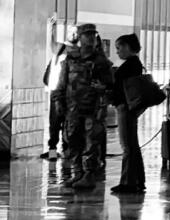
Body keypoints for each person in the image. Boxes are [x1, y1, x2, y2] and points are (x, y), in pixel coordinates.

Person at [54, 22, 114, 192]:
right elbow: (61, 84)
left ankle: (89, 175)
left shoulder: (102, 62)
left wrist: (103, 91)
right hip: (73, 109)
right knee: (72, 139)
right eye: (86, 35)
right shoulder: (70, 60)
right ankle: (77, 172)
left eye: (93, 35)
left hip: (93, 109)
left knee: (91, 142)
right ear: (79, 38)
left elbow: (111, 86)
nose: (90, 38)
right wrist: (58, 102)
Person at [110, 32, 146, 197]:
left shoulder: (130, 65)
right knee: (132, 145)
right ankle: (137, 180)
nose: (117, 52)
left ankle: (128, 182)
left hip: (125, 107)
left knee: (127, 147)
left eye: (119, 48)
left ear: (127, 47)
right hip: (129, 107)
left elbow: (122, 88)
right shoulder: (135, 64)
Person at [40, 26, 71, 160]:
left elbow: (46, 78)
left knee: (54, 125)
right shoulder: (68, 59)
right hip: (66, 96)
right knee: (66, 125)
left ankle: (53, 153)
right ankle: (66, 152)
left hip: (56, 95)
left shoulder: (56, 58)